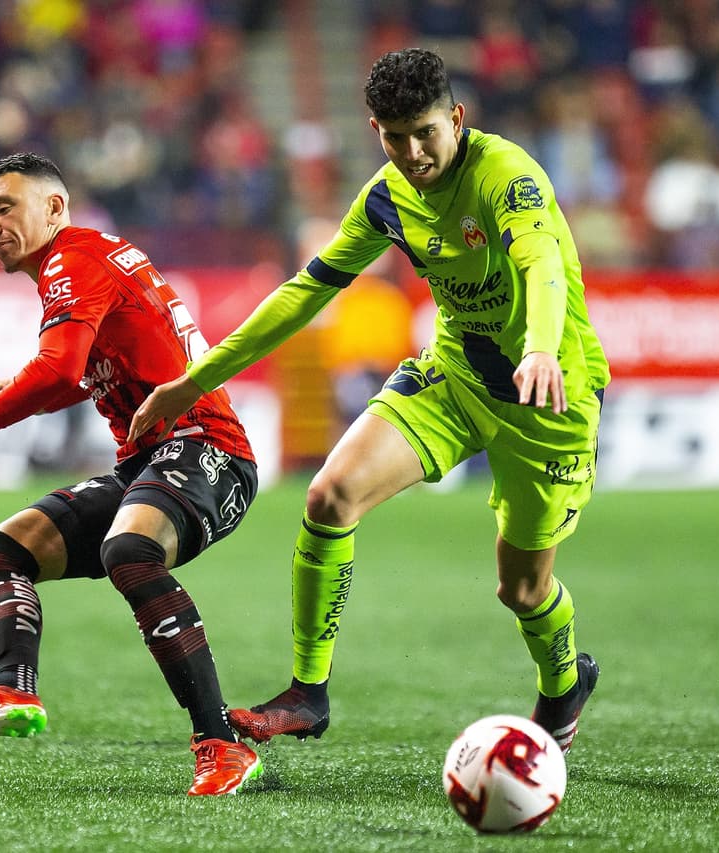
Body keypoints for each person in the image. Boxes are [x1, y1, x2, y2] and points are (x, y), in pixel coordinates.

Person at [129, 48, 610, 756]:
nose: (413, 152)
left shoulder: (506, 174)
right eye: (394, 136)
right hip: (455, 379)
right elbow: (304, 292)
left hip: (550, 400)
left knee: (523, 590)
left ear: (456, 118)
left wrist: (539, 345)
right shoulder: (385, 197)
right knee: (330, 495)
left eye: (425, 133)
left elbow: (540, 260)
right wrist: (194, 379)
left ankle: (564, 685)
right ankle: (308, 692)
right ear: (374, 130)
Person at [0, 152, 262, 796]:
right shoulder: (88, 259)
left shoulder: (72, 259)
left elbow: (62, 369)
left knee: (130, 549)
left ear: (54, 208)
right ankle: (12, 692)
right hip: (152, 460)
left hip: (209, 451)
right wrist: (23, 380)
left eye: (5, 207)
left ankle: (222, 745)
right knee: (0, 551)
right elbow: (91, 367)